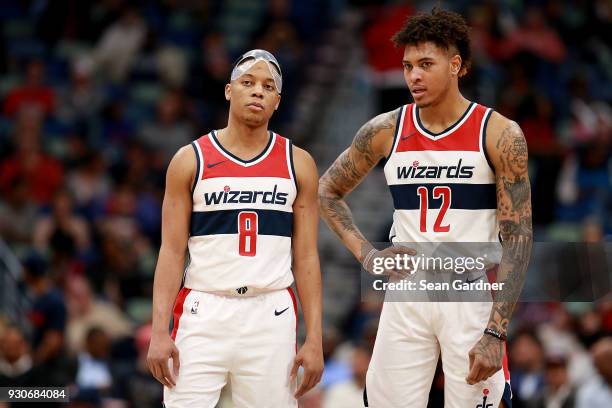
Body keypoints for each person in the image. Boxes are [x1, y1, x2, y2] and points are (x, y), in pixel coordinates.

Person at [319, 8, 532, 408]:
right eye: (407, 66)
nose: (413, 75)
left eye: (425, 64)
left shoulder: (500, 134)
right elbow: (326, 191)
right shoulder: (384, 130)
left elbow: (519, 237)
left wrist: (496, 332)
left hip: (468, 292)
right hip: (407, 293)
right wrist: (367, 255)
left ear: (456, 65)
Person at [147, 49, 323, 407]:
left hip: (271, 313)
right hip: (203, 308)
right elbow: (170, 251)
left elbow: (305, 256)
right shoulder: (189, 159)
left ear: (277, 101)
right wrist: (158, 330)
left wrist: (315, 336)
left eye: (267, 86)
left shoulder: (298, 163)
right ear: (229, 90)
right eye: (248, 82)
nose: (257, 91)